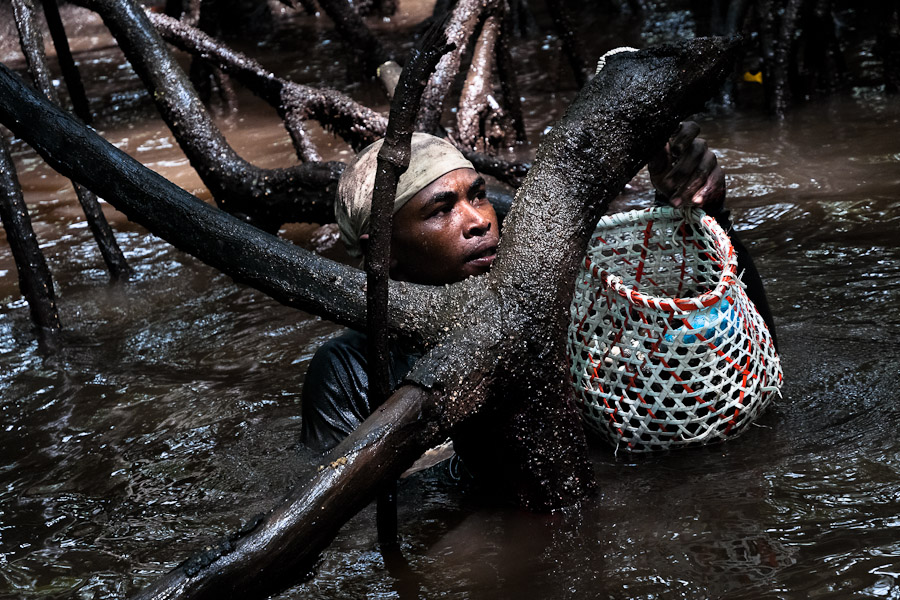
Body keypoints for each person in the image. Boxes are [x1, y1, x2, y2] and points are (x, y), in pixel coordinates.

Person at [300, 125, 774, 452]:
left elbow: (732, 366)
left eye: (478, 194)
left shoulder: (556, 299)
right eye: (441, 209)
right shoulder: (347, 370)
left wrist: (705, 214)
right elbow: (359, 508)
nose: (478, 220)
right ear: (382, 250)